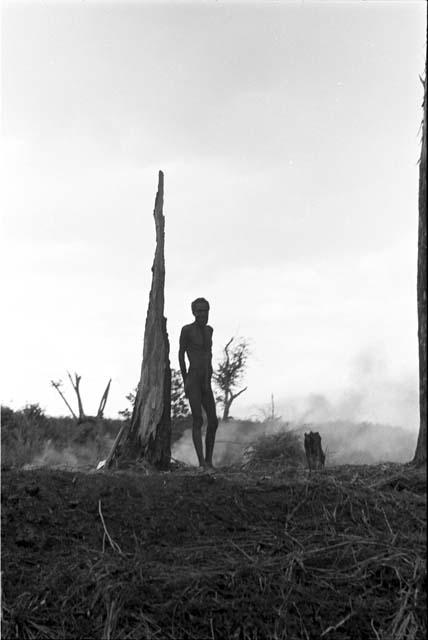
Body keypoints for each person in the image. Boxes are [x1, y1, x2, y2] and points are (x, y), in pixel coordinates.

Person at [179, 297, 218, 470]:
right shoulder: (187, 330)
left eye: (205, 310)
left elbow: (208, 355)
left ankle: (209, 461)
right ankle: (201, 462)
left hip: (206, 379)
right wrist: (185, 377)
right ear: (194, 312)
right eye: (200, 311)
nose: (203, 314)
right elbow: (181, 354)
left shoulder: (209, 331)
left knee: (213, 421)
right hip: (193, 377)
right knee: (198, 419)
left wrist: (208, 378)